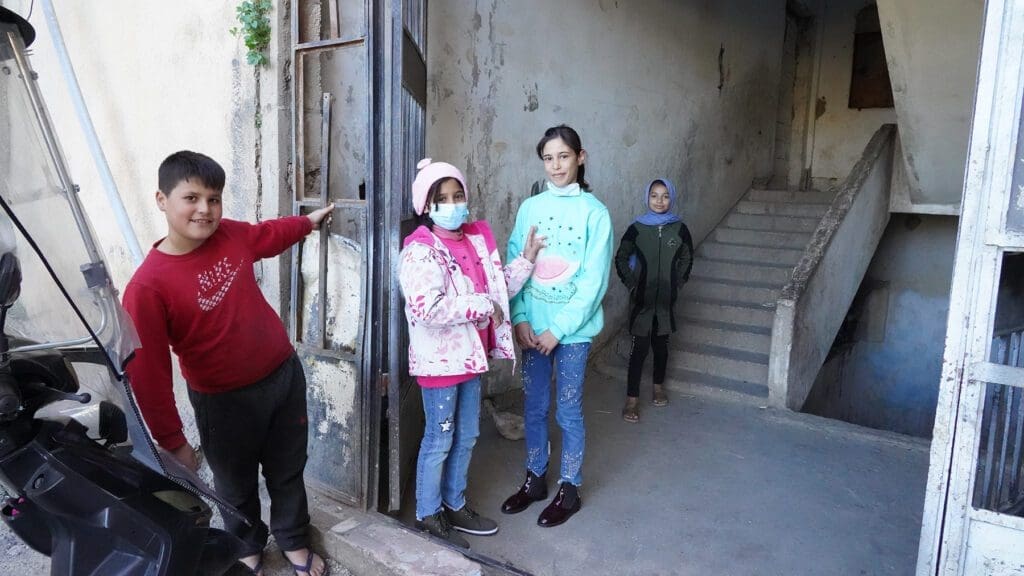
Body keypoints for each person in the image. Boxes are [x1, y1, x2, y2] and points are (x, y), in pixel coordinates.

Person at [122, 151, 332, 576]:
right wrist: (172, 439)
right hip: (224, 403)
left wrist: (305, 224)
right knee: (234, 485)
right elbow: (149, 373)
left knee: (288, 469)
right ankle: (247, 546)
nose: (205, 210)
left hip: (283, 378)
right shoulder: (147, 287)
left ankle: (292, 539)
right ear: (162, 200)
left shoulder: (231, 236)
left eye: (214, 199)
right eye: (192, 198)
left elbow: (267, 235)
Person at [398, 158, 545, 548]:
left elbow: (496, 292)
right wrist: (479, 306)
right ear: (426, 207)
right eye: (441, 198)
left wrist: (526, 260)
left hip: (471, 359)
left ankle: (455, 503)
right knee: (440, 438)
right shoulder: (420, 251)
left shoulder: (476, 240)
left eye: (457, 195)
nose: (452, 204)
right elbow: (425, 308)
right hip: (440, 363)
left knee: (466, 436)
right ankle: (428, 513)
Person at [501, 124, 613, 528]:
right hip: (534, 332)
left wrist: (558, 330)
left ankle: (570, 487)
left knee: (567, 410)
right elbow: (516, 264)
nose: (556, 165)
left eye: (564, 156)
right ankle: (534, 480)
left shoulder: (594, 214)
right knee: (533, 407)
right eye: (548, 158)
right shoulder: (530, 208)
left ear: (580, 158)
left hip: (572, 335)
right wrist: (521, 318)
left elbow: (594, 282)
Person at [613, 178, 693, 423]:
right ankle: (632, 399)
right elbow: (621, 257)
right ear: (647, 198)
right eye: (654, 195)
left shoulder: (679, 228)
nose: (660, 201)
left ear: (672, 198)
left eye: (665, 196)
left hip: (665, 302)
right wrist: (632, 284)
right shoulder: (637, 228)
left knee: (661, 346)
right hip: (642, 302)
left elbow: (687, 258)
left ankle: (658, 387)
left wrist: (676, 283)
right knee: (639, 350)